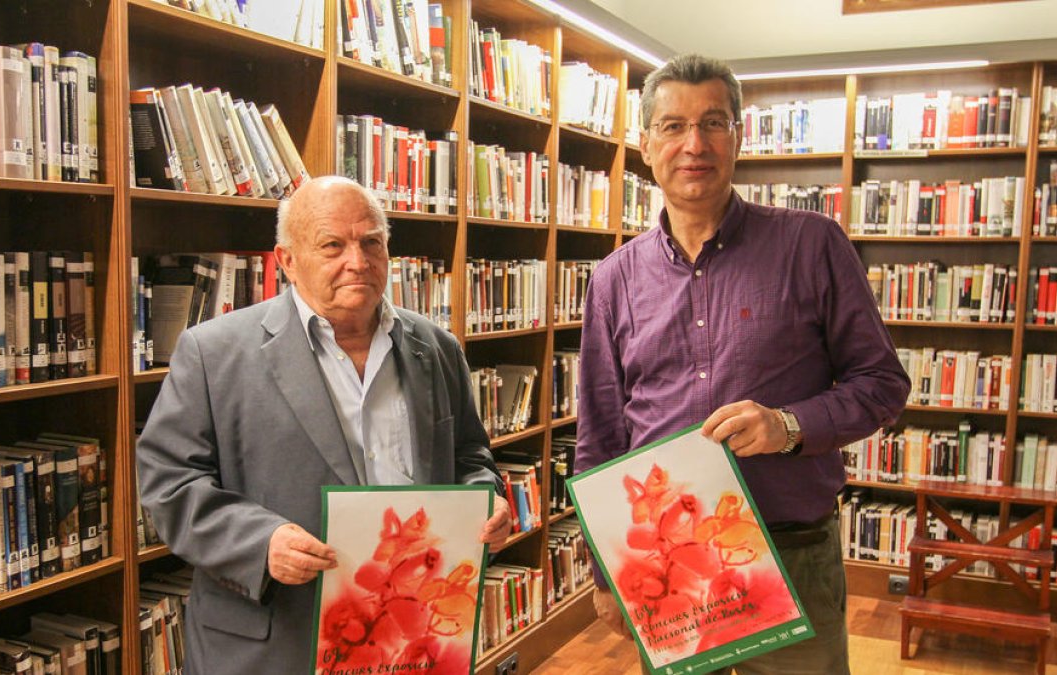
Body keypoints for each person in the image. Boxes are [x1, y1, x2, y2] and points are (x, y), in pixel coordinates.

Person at [575, 53, 910, 674]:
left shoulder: (812, 245)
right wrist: (606, 569)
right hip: (667, 566)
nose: (694, 143)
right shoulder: (613, 280)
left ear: (740, 135)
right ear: (645, 144)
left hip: (793, 552)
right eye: (672, 126)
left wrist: (787, 426)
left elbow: (883, 384)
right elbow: (600, 435)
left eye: (714, 123)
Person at [138, 175, 512, 674]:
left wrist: (484, 501)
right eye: (332, 245)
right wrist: (260, 543)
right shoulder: (213, 353)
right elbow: (169, 483)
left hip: (407, 636)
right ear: (287, 261)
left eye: (371, 242)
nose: (357, 262)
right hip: (275, 639)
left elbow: (470, 455)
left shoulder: (437, 348)